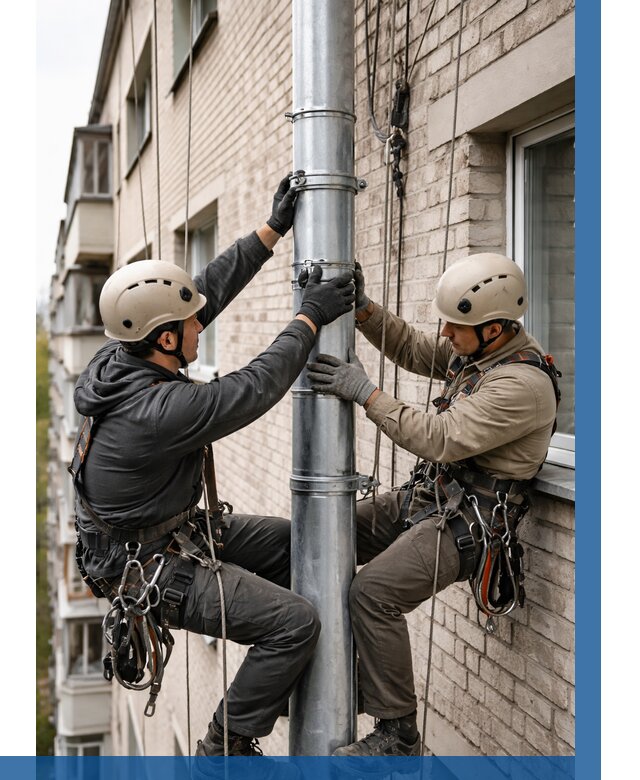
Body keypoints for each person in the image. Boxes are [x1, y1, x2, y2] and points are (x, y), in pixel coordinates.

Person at [70, 173, 356, 757]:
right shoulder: (159, 409)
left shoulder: (122, 354)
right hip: (143, 565)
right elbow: (255, 387)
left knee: (294, 545)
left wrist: (270, 230)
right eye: (192, 324)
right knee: (293, 622)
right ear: (168, 340)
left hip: (164, 533)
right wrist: (308, 318)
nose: (202, 324)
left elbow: (201, 291)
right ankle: (225, 746)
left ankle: (293, 680)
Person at [306, 253, 560, 757]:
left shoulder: (520, 384)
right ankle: (327, 672)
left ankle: (398, 735)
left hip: (471, 523)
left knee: (373, 593)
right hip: (436, 497)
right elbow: (417, 349)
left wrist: (366, 393)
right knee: (324, 531)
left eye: (456, 325)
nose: (445, 332)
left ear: (495, 328)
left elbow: (439, 437)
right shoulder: (480, 353)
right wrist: (364, 310)